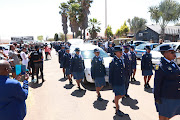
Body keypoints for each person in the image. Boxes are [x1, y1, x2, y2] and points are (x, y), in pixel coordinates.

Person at [154, 44, 180, 120]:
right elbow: (157, 83)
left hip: (174, 95)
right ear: (165, 53)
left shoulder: (173, 63)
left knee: (169, 115)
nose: (174, 54)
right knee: (163, 116)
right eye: (172, 52)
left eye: (174, 52)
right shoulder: (160, 66)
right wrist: (157, 97)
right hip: (165, 97)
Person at [109, 45, 127, 116]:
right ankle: (117, 109)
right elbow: (111, 73)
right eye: (120, 52)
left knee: (123, 94)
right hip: (116, 82)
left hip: (121, 81)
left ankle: (115, 101)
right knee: (117, 95)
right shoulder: (113, 61)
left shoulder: (121, 60)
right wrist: (111, 83)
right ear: (116, 53)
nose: (121, 53)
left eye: (121, 51)